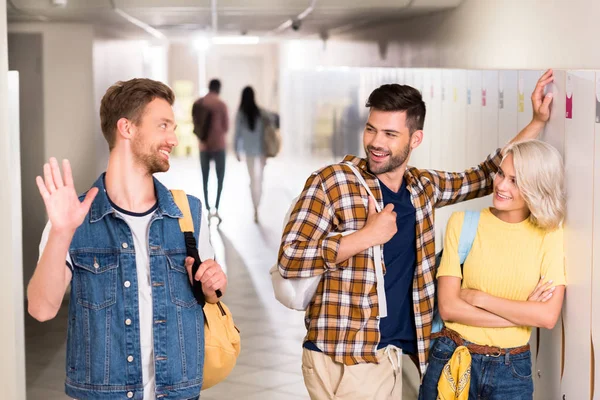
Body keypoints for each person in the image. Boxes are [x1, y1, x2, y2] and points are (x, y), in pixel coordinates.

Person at [277, 70, 555, 399]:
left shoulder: (422, 187)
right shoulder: (332, 181)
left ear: (415, 139)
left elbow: (484, 175)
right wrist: (366, 236)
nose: (376, 142)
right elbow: (290, 258)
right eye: (371, 129)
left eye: (390, 134)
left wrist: (537, 121)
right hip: (347, 352)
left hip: (387, 352)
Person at [28, 78, 228, 399]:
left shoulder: (188, 213)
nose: (174, 139)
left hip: (177, 391)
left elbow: (211, 292)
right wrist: (61, 233)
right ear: (127, 128)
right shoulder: (72, 218)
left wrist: (213, 287)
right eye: (163, 125)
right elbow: (41, 309)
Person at [419, 139, 566, 400]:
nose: (500, 185)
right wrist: (521, 313)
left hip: (512, 370)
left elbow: (546, 316)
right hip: (453, 355)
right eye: (500, 173)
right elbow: (450, 307)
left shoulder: (550, 235)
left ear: (536, 187)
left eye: (515, 180)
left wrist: (479, 298)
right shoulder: (462, 224)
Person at [192, 78, 229, 223]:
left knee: (205, 177)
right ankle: (216, 209)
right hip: (218, 146)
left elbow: (194, 123)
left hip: (203, 145)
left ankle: (207, 208)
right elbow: (226, 127)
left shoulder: (199, 102)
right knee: (220, 178)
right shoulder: (221, 105)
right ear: (219, 88)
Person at [234, 86, 268, 223]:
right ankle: (257, 205)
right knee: (260, 180)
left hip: (249, 152)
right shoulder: (260, 112)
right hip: (261, 152)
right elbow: (265, 132)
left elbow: (237, 134)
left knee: (252, 180)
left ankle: (255, 208)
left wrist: (236, 150)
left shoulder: (241, 114)